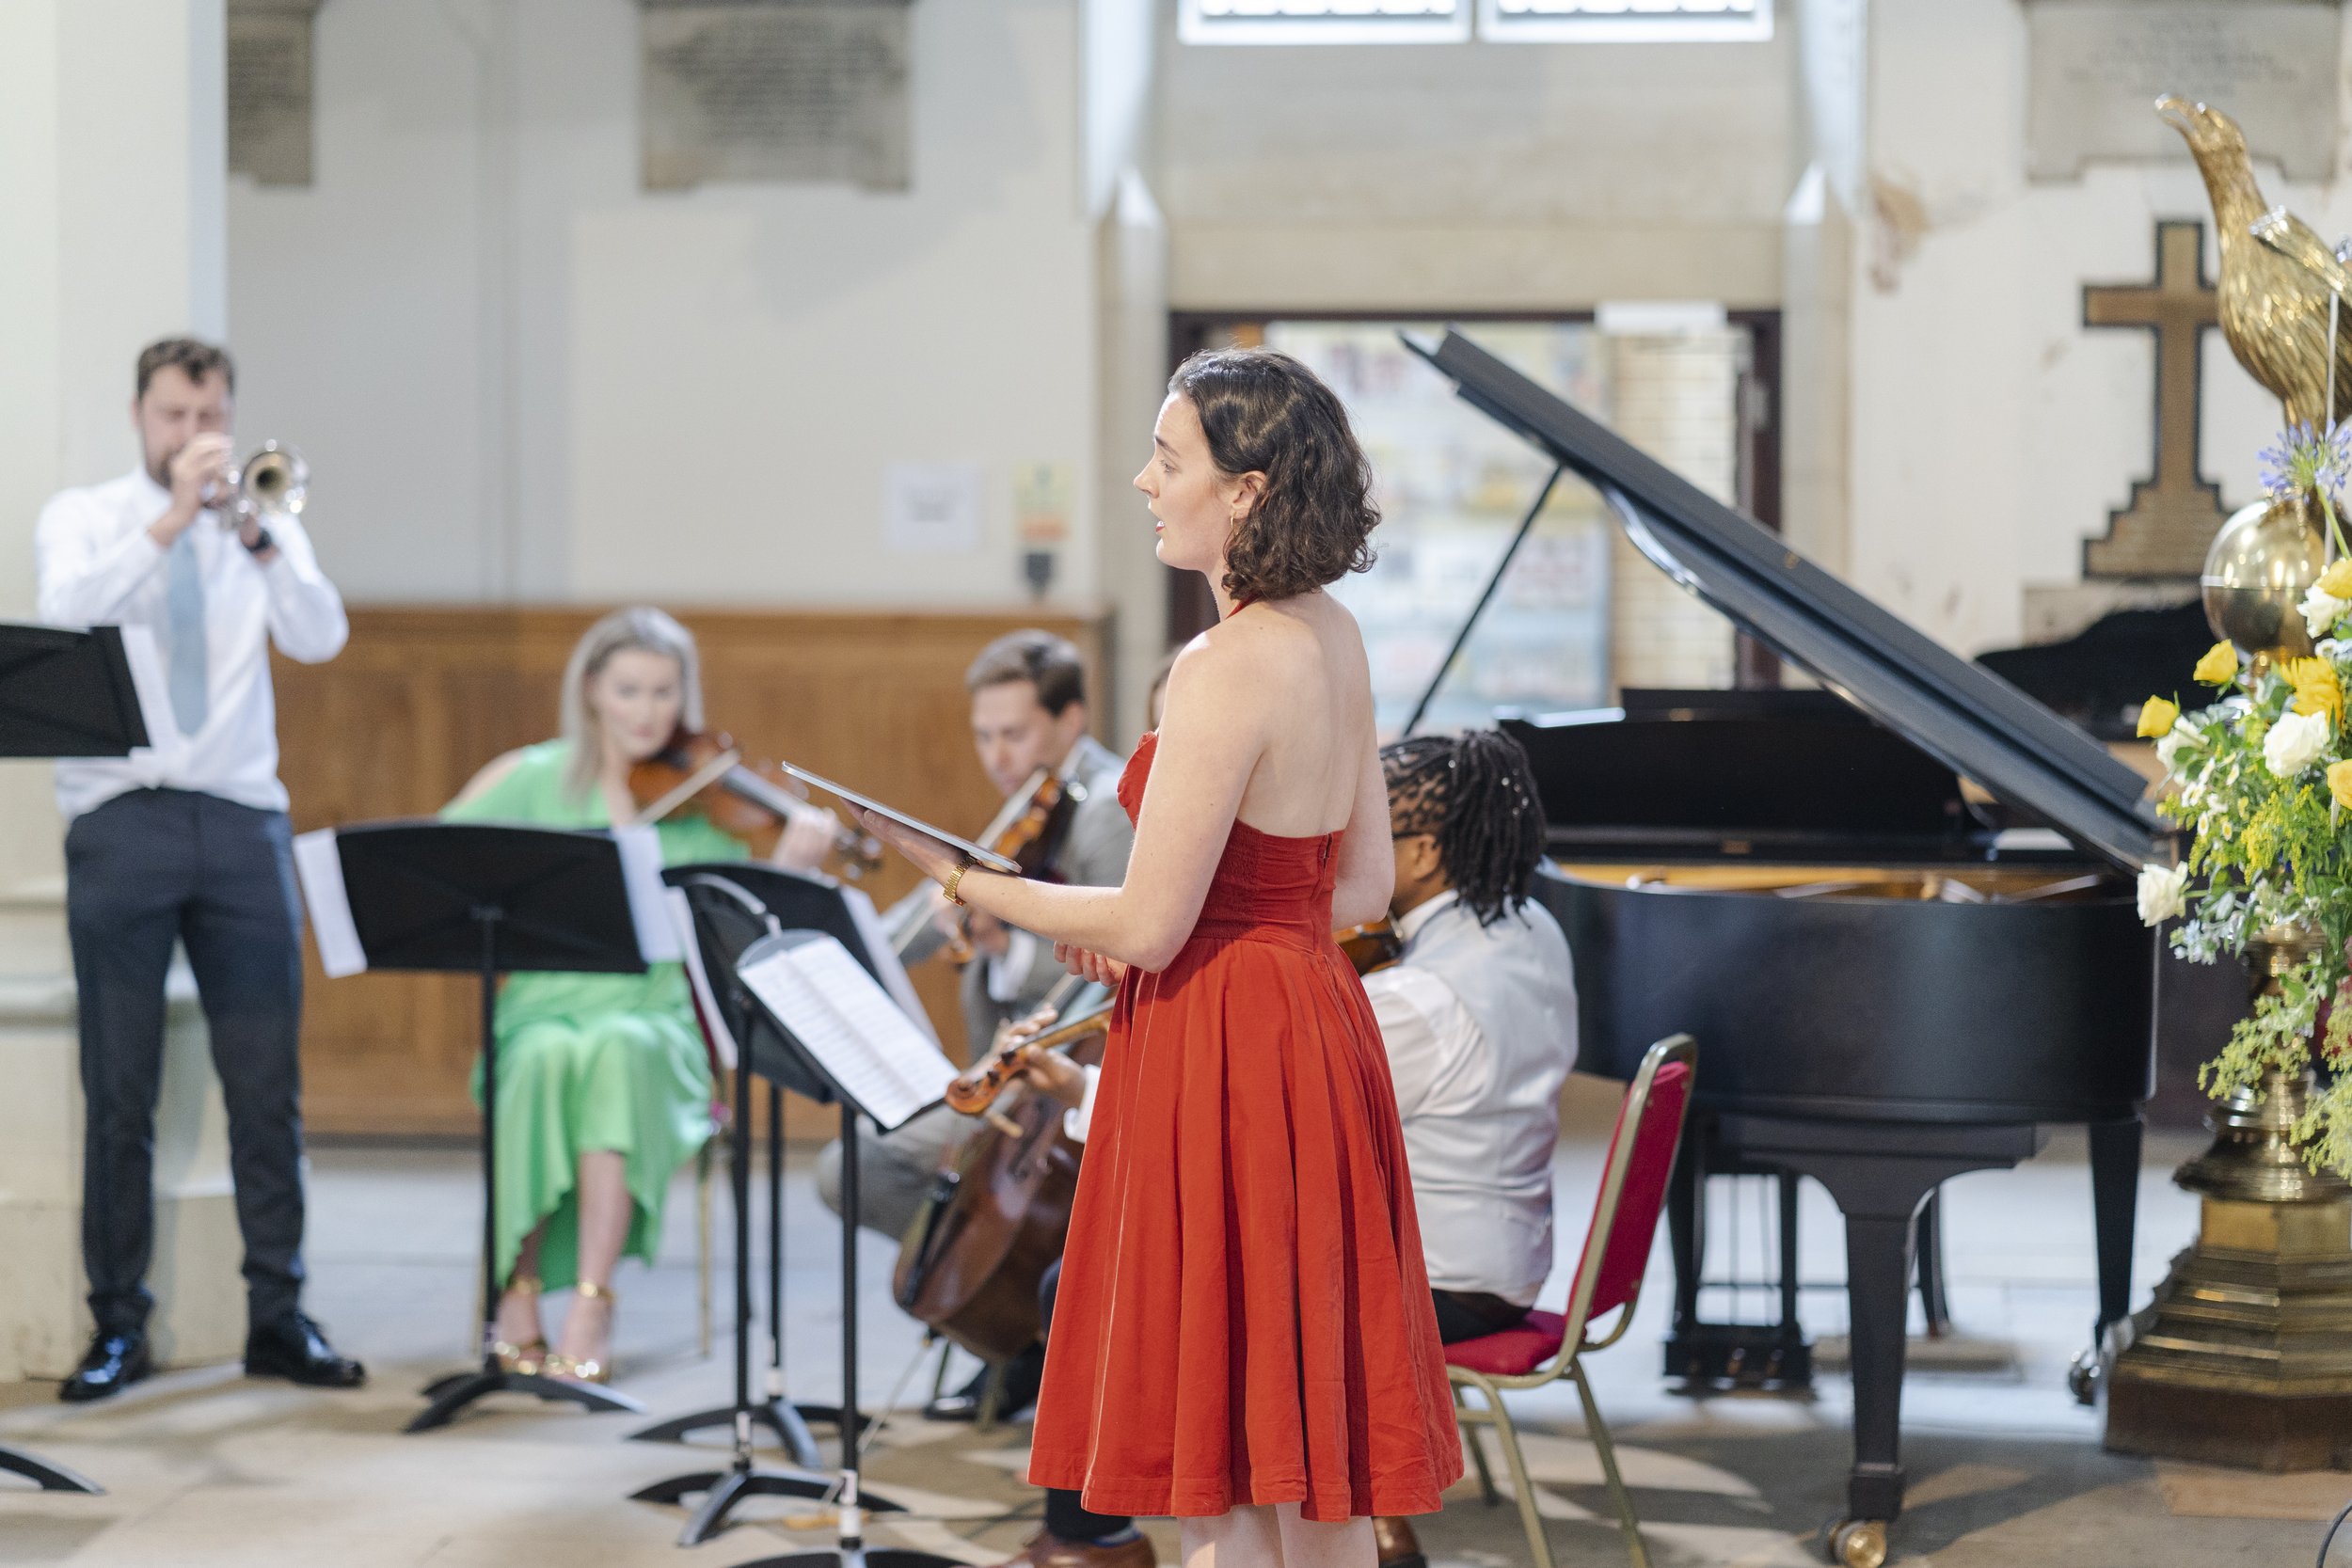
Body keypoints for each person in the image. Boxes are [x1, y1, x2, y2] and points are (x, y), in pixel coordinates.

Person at [863, 348, 1461, 1567]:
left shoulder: (1217, 664)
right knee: (1307, 1457)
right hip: (1310, 1026)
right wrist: (1211, 917)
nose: (1143, 479)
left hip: (1220, 1048)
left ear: (1241, 492)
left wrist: (977, 883)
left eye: (1168, 457)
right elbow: (1356, 884)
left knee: (1220, 1470)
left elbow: (1146, 924)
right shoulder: (1333, 632)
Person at [990, 727, 1574, 1568]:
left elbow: (1255, 1122)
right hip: (1511, 1252)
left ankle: (1106, 1537)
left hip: (1434, 1274)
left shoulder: (1420, 1000)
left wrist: (1081, 1089)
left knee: (1155, 1295)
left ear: (1425, 853)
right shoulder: (1532, 936)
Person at [38, 337, 361, 1402]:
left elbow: (320, 637)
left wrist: (260, 536)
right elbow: (65, 616)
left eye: (208, 415)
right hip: (121, 816)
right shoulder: (85, 515)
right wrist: (169, 518)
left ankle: (279, 1312)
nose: (192, 436)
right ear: (141, 414)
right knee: (119, 1085)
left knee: (267, 1086)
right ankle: (116, 1323)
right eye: (175, 415)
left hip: (240, 820)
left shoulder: (260, 524)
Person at [443, 606, 837, 1384]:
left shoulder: (703, 801)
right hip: (545, 1004)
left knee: (622, 1050)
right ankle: (514, 1291)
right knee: (547, 1055)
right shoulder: (532, 779)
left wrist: (796, 867)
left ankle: (593, 1301)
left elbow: (743, 938)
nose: (648, 712)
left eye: (665, 692)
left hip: (656, 1015)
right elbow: (442, 865)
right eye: (629, 690)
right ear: (592, 691)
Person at [815, 629, 1133, 1419]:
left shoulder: (1107, 809)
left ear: (1071, 719)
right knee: (852, 1166)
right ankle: (1013, 1335)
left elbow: (1116, 960)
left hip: (1070, 1074)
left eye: (1014, 733)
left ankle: (1023, 1338)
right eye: (984, 735)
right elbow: (909, 933)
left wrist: (1002, 949)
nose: (997, 754)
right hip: (1008, 1077)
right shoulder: (1025, 808)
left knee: (862, 1167)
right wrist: (853, 953)